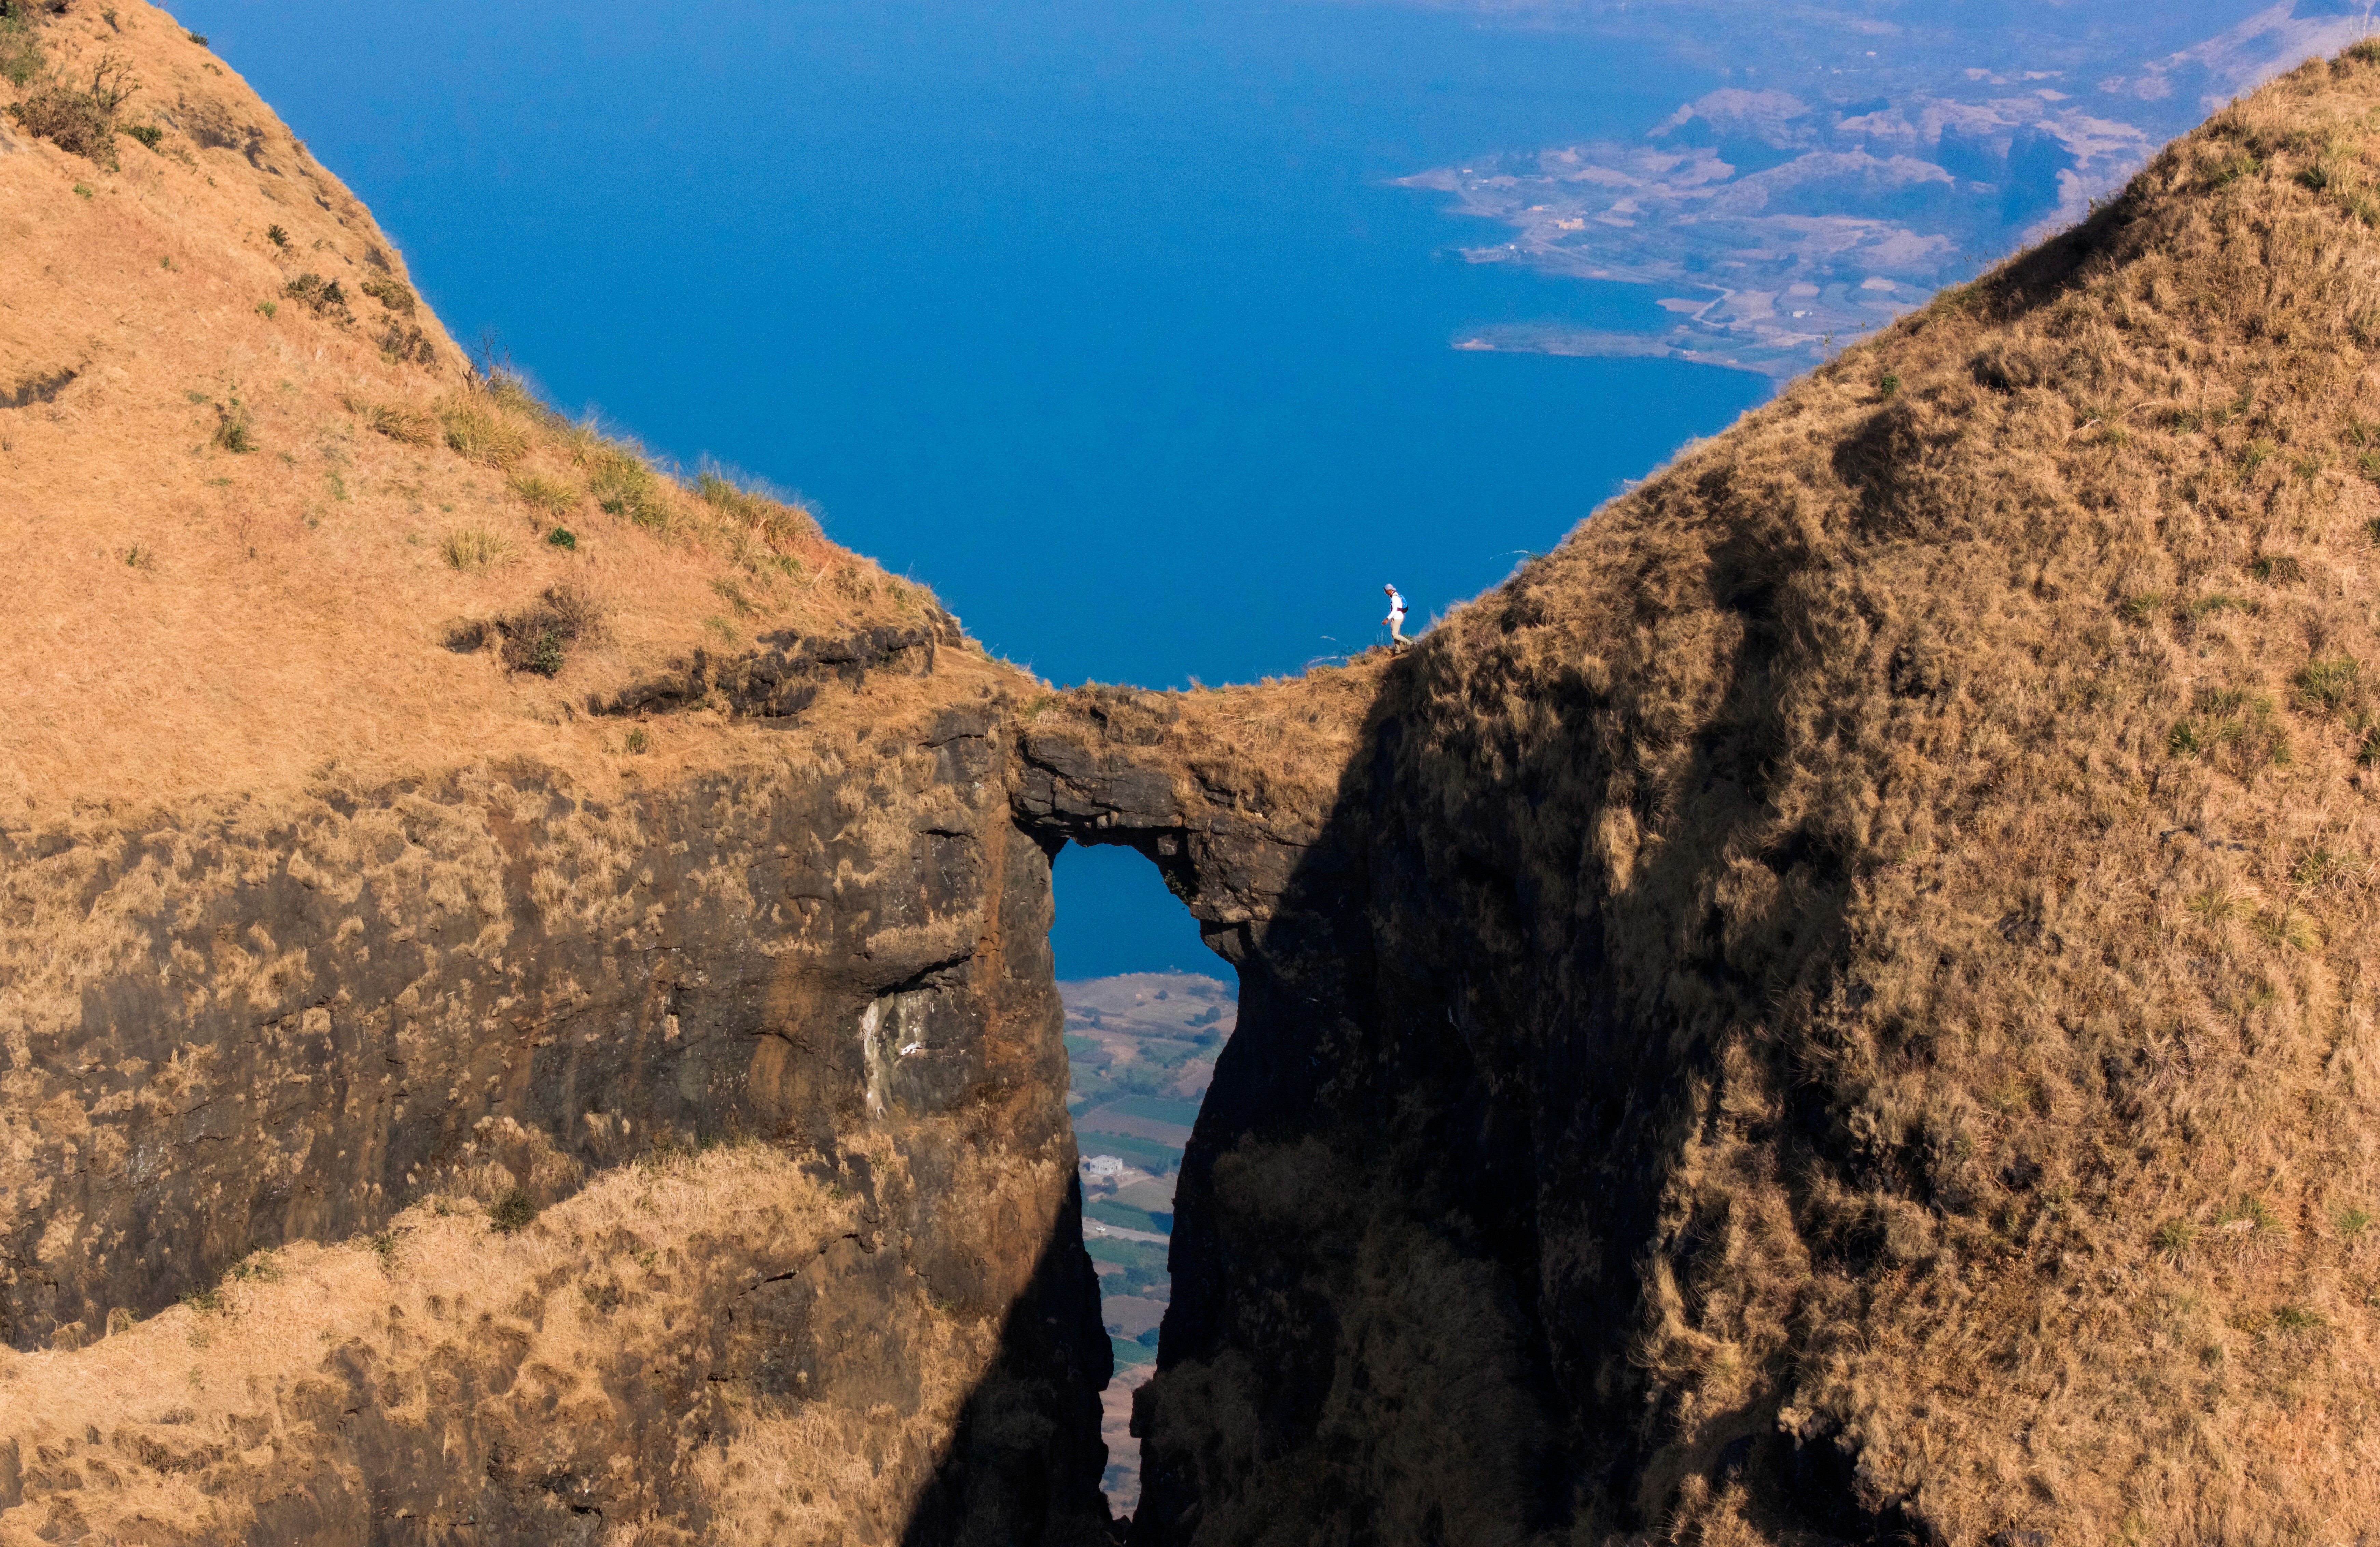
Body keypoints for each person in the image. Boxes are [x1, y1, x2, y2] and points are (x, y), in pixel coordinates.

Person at [1382, 583, 1408, 648]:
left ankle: (1411, 644)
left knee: (1395, 635)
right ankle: (1398, 651)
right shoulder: (1394, 596)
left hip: (1397, 618)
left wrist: (1387, 619)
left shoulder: (1395, 598)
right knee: (1395, 634)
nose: (1385, 593)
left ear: (1389, 590)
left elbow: (1394, 611)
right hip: (1395, 618)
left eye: (1386, 591)